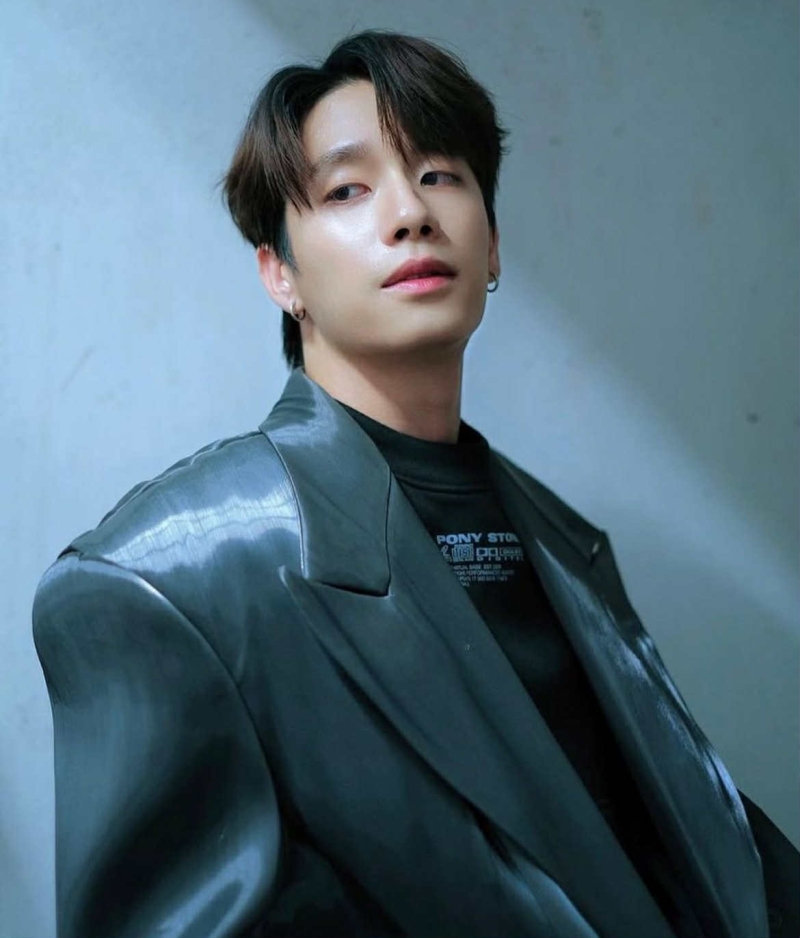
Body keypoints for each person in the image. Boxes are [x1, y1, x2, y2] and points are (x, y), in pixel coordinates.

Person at [33, 29, 797, 938]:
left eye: (439, 174)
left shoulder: (564, 539)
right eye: (347, 190)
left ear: (494, 246)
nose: (410, 213)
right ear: (279, 272)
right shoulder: (165, 580)